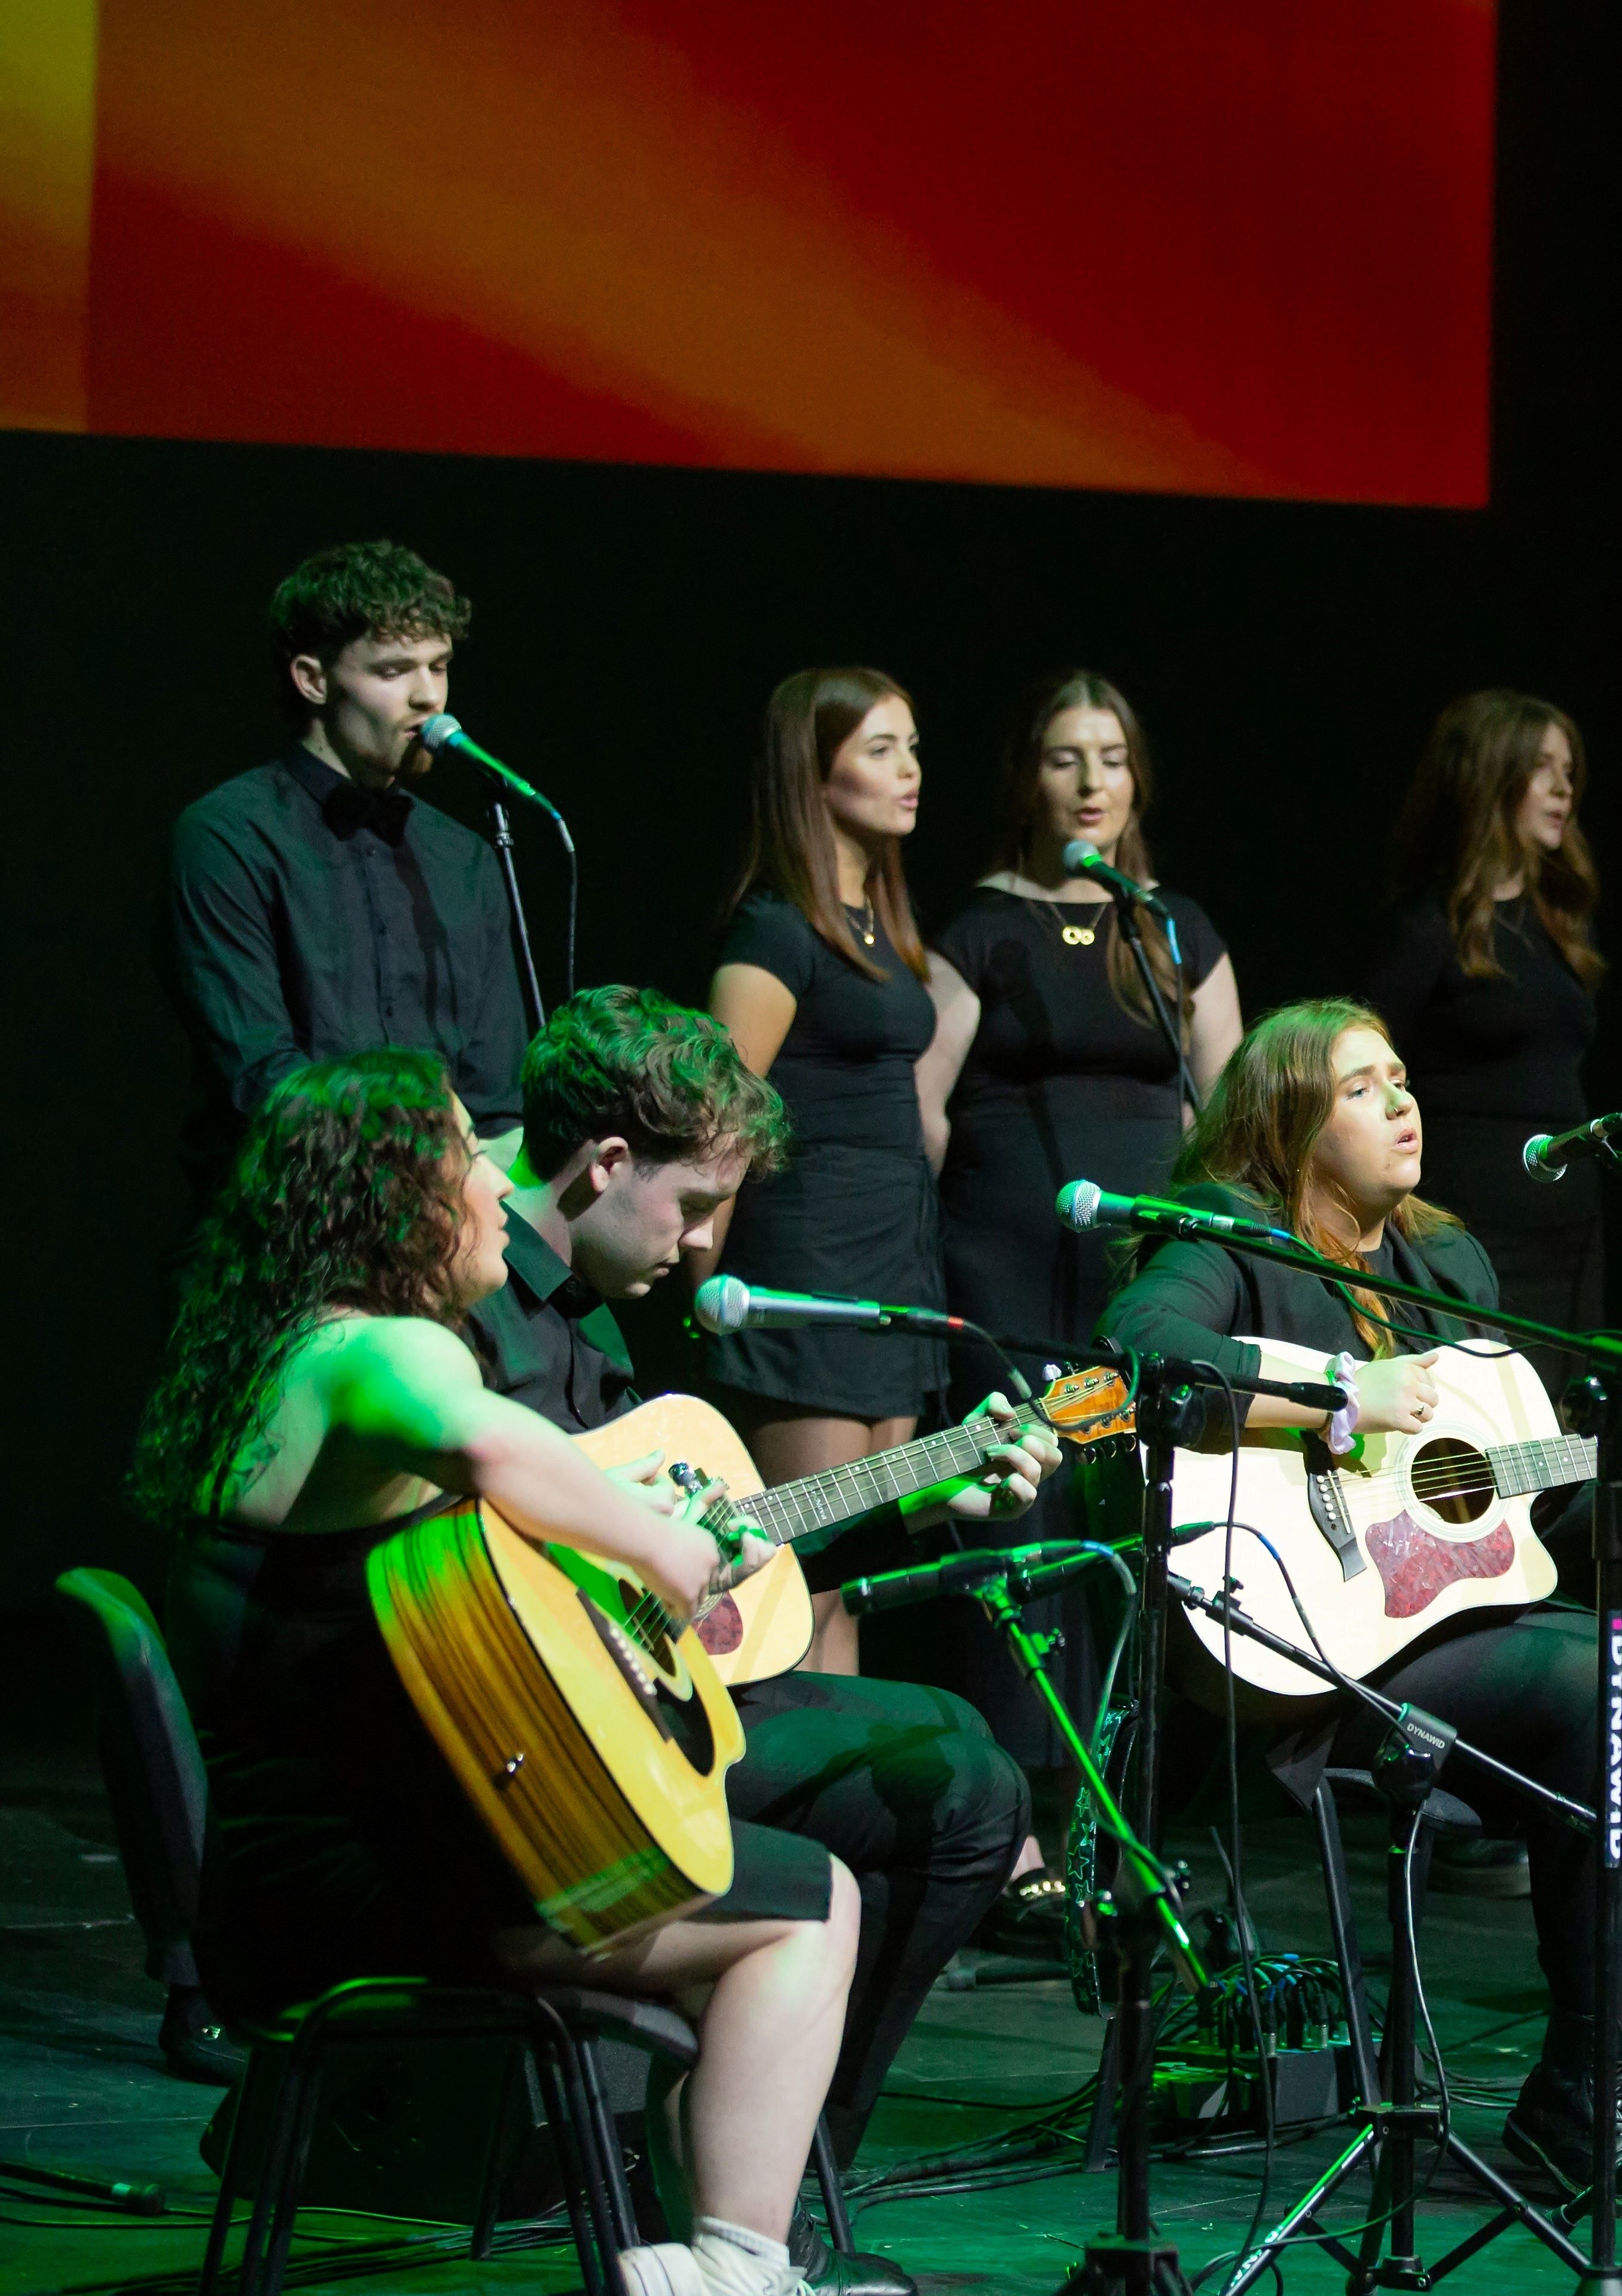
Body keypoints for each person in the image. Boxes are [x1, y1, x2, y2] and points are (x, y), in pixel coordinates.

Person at [1100, 999, 1622, 2216]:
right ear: (1287, 1117)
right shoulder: (1230, 1238)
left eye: (1402, 1077)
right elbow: (1140, 1352)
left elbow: (1524, 1516)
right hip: (1312, 1646)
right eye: (1361, 1086)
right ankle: (1588, 2091)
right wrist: (1342, 1394)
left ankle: (1591, 2071)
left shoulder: (1449, 1267)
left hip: (1456, 1627)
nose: (1402, 1102)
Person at [135, 1051, 857, 2296]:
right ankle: (734, 2267)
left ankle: (707, 2240)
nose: (493, 1176)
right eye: (468, 1153)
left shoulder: (282, 1355)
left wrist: (650, 1527)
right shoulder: (372, 1356)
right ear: (397, 1200)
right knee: (811, 1899)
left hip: (304, 1884)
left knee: (747, 1872)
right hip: (370, 1898)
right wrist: (662, 1548)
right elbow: (486, 1440)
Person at [472, 985, 1048, 2255]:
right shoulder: (464, 1304)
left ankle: (755, 2161)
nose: (697, 1247)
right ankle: (760, 2196)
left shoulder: (583, 1309)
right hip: (547, 1746)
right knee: (955, 1787)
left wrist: (924, 1502)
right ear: (605, 1165)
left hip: (643, 1697)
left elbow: (721, 1558)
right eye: (690, 1207)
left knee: (957, 1754)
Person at [918, 672, 1240, 1873]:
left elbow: (1227, 1104)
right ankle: (1009, 1841)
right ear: (1028, 777)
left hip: (1138, 1281)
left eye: (1112, 757)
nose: (1093, 781)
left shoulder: (1173, 930)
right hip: (1004, 1268)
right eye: (1066, 757)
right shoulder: (980, 927)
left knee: (1129, 1531)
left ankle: (1110, 1824)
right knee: (1023, 1523)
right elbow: (923, 1109)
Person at [697, 669, 944, 1675]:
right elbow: (717, 1119)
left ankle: (850, 1769)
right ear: (815, 770)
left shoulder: (877, 918)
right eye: (881, 749)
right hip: (809, 1268)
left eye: (913, 747)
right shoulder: (775, 930)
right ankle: (792, 1771)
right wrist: (703, 1278)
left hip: (893, 1267)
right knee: (801, 1586)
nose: (910, 770)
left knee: (858, 1580)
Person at [163, 540, 528, 1190]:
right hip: (288, 1218)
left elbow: (496, 1099)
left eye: (439, 666)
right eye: (393, 671)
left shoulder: (465, 860)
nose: (429, 697)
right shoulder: (228, 836)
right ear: (313, 680)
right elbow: (260, 1079)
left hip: (448, 1220)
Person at [1365, 691, 1607, 1339]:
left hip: (1568, 1228)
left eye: (1570, 772)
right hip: (1472, 1226)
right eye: (1542, 768)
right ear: (1490, 778)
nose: (1564, 789)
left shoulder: (1562, 921)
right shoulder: (1425, 926)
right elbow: (1367, 1066)